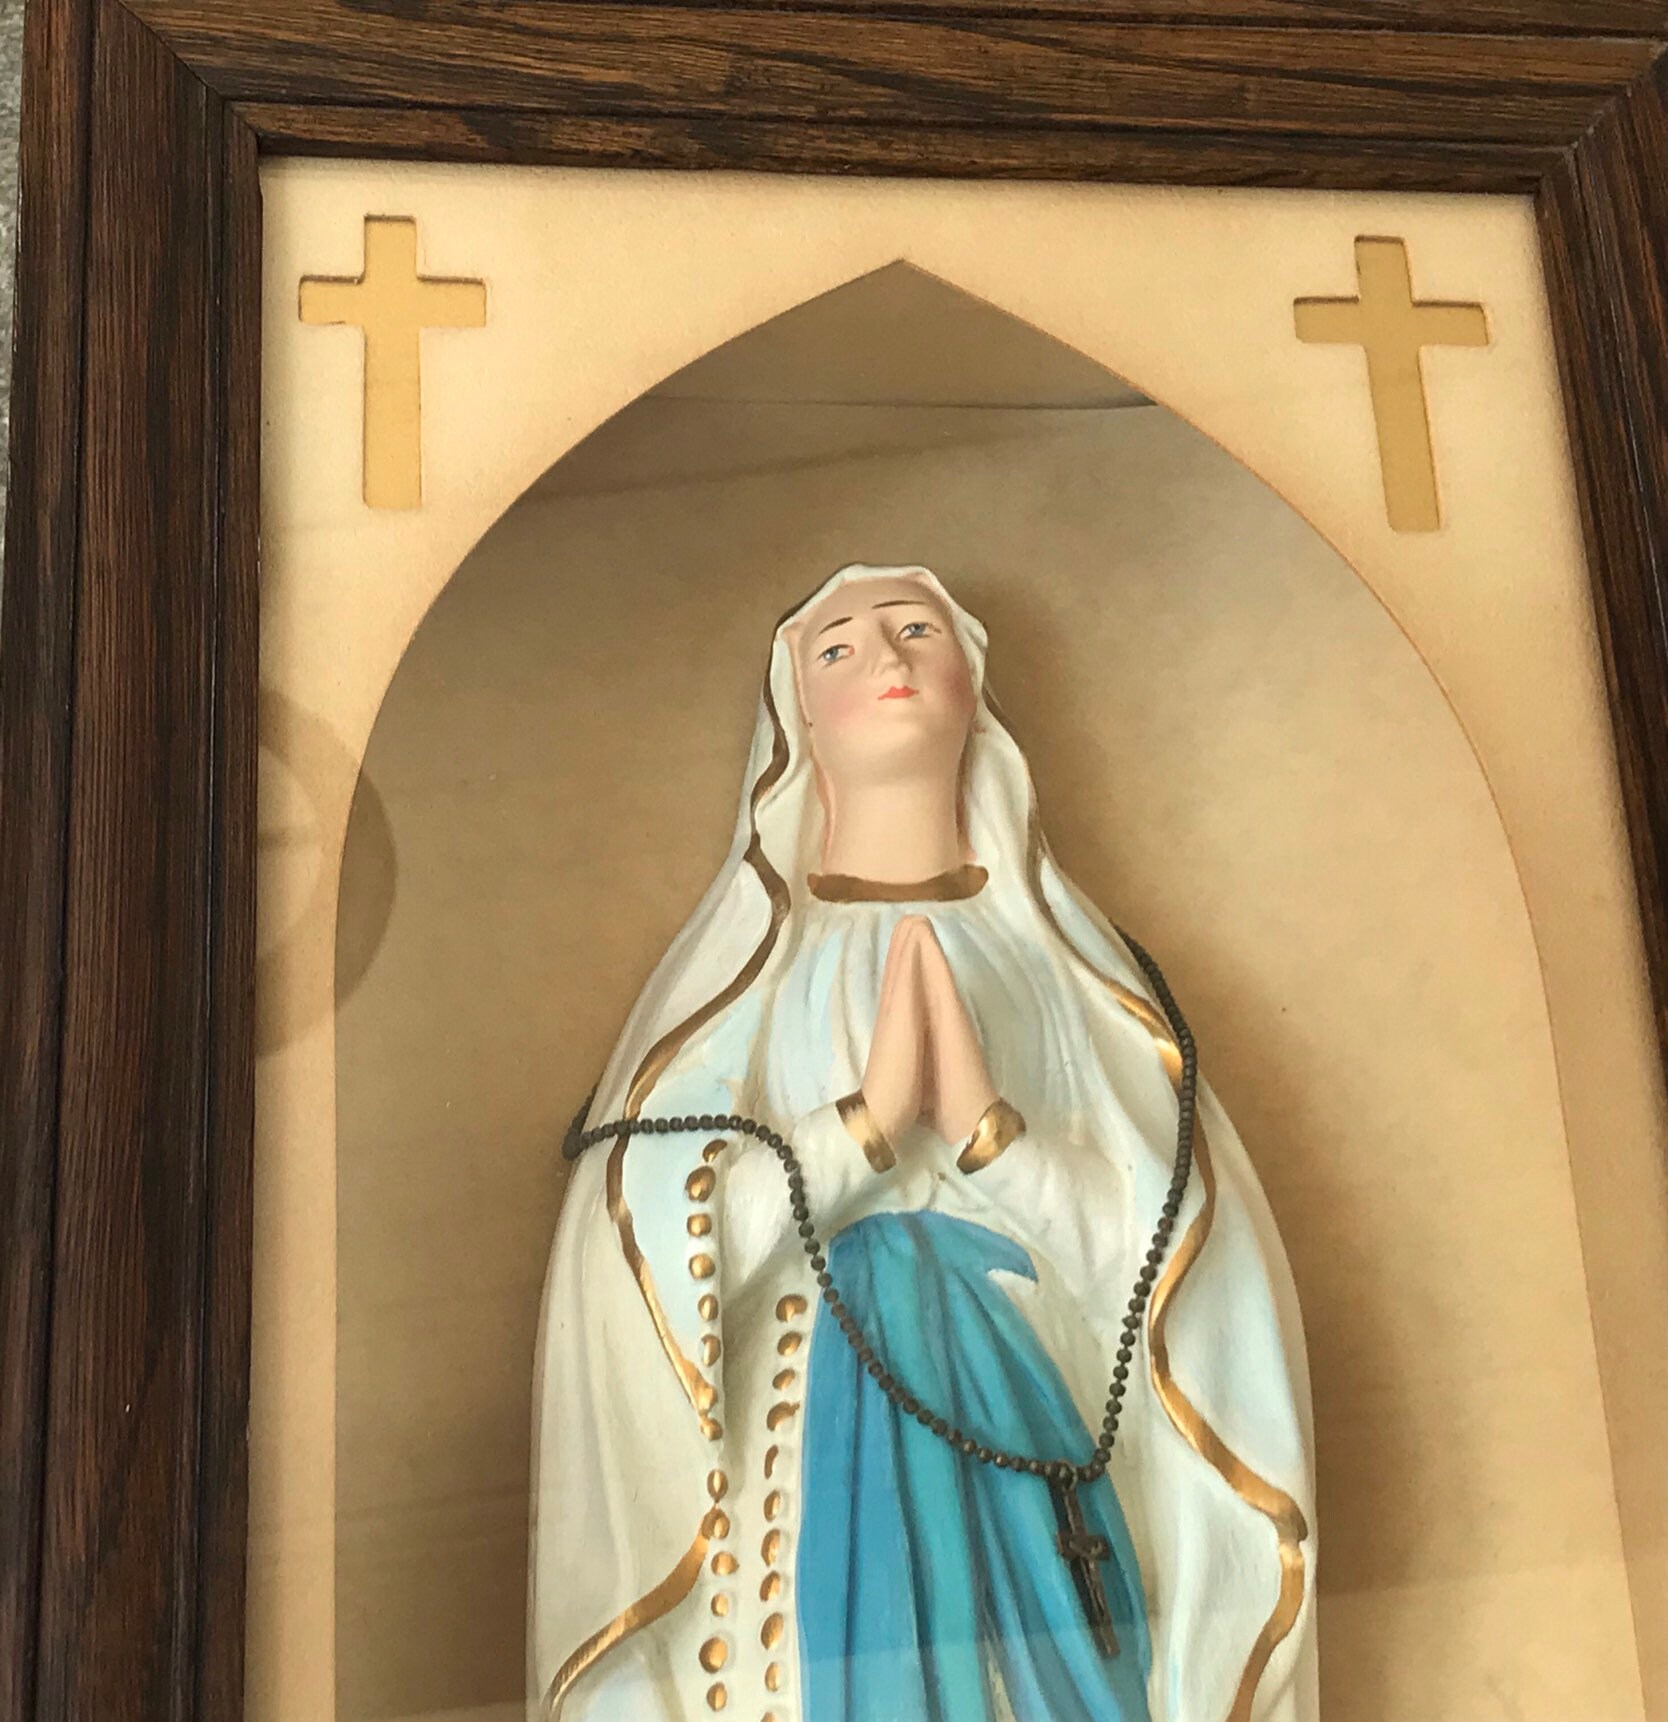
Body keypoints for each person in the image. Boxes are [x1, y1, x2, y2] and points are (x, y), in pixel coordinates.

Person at [529, 563, 1317, 1722]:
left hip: (1032, 1424)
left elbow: (1166, 1258)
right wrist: (863, 1127)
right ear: (798, 717)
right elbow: (642, 1251)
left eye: (915, 630)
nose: (888, 659)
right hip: (808, 1452)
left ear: (972, 686)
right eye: (839, 647)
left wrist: (994, 1141)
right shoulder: (747, 977)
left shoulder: (1066, 969)